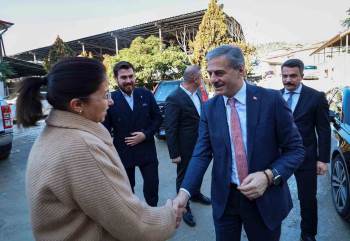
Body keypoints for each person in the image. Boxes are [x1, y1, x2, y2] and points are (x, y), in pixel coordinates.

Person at [18, 57, 179, 241]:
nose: (109, 103)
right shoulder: (81, 149)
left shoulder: (54, 134)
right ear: (77, 105)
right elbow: (135, 225)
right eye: (104, 96)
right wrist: (170, 214)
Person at [173, 45, 305, 241]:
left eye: (219, 72)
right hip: (226, 201)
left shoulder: (271, 100)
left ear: (241, 70)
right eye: (209, 73)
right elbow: (201, 154)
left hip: (265, 197)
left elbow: (296, 150)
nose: (213, 79)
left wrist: (268, 176)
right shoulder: (210, 108)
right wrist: (184, 194)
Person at [280, 59, 331, 241]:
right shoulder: (275, 96)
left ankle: (308, 234)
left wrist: (322, 159)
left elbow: (324, 129)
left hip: (306, 157)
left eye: (293, 76)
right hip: (279, 158)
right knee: (272, 195)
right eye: (285, 76)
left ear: (302, 76)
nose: (288, 80)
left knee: (308, 199)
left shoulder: (316, 97)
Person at [103, 61, 162, 207]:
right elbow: (103, 129)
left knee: (152, 186)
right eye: (124, 77)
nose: (128, 80)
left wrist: (145, 134)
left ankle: (153, 215)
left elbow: (158, 119)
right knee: (127, 190)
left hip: (147, 150)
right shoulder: (110, 99)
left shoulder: (146, 94)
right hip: (123, 152)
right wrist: (104, 108)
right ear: (116, 79)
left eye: (131, 76)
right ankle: (135, 218)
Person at [164, 65, 211, 227]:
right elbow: (170, 128)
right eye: (201, 76)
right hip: (184, 147)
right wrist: (174, 153)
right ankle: (185, 207)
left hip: (200, 144)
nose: (203, 79)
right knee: (183, 176)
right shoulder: (174, 98)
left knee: (198, 171)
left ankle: (195, 193)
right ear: (195, 79)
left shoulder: (197, 93)